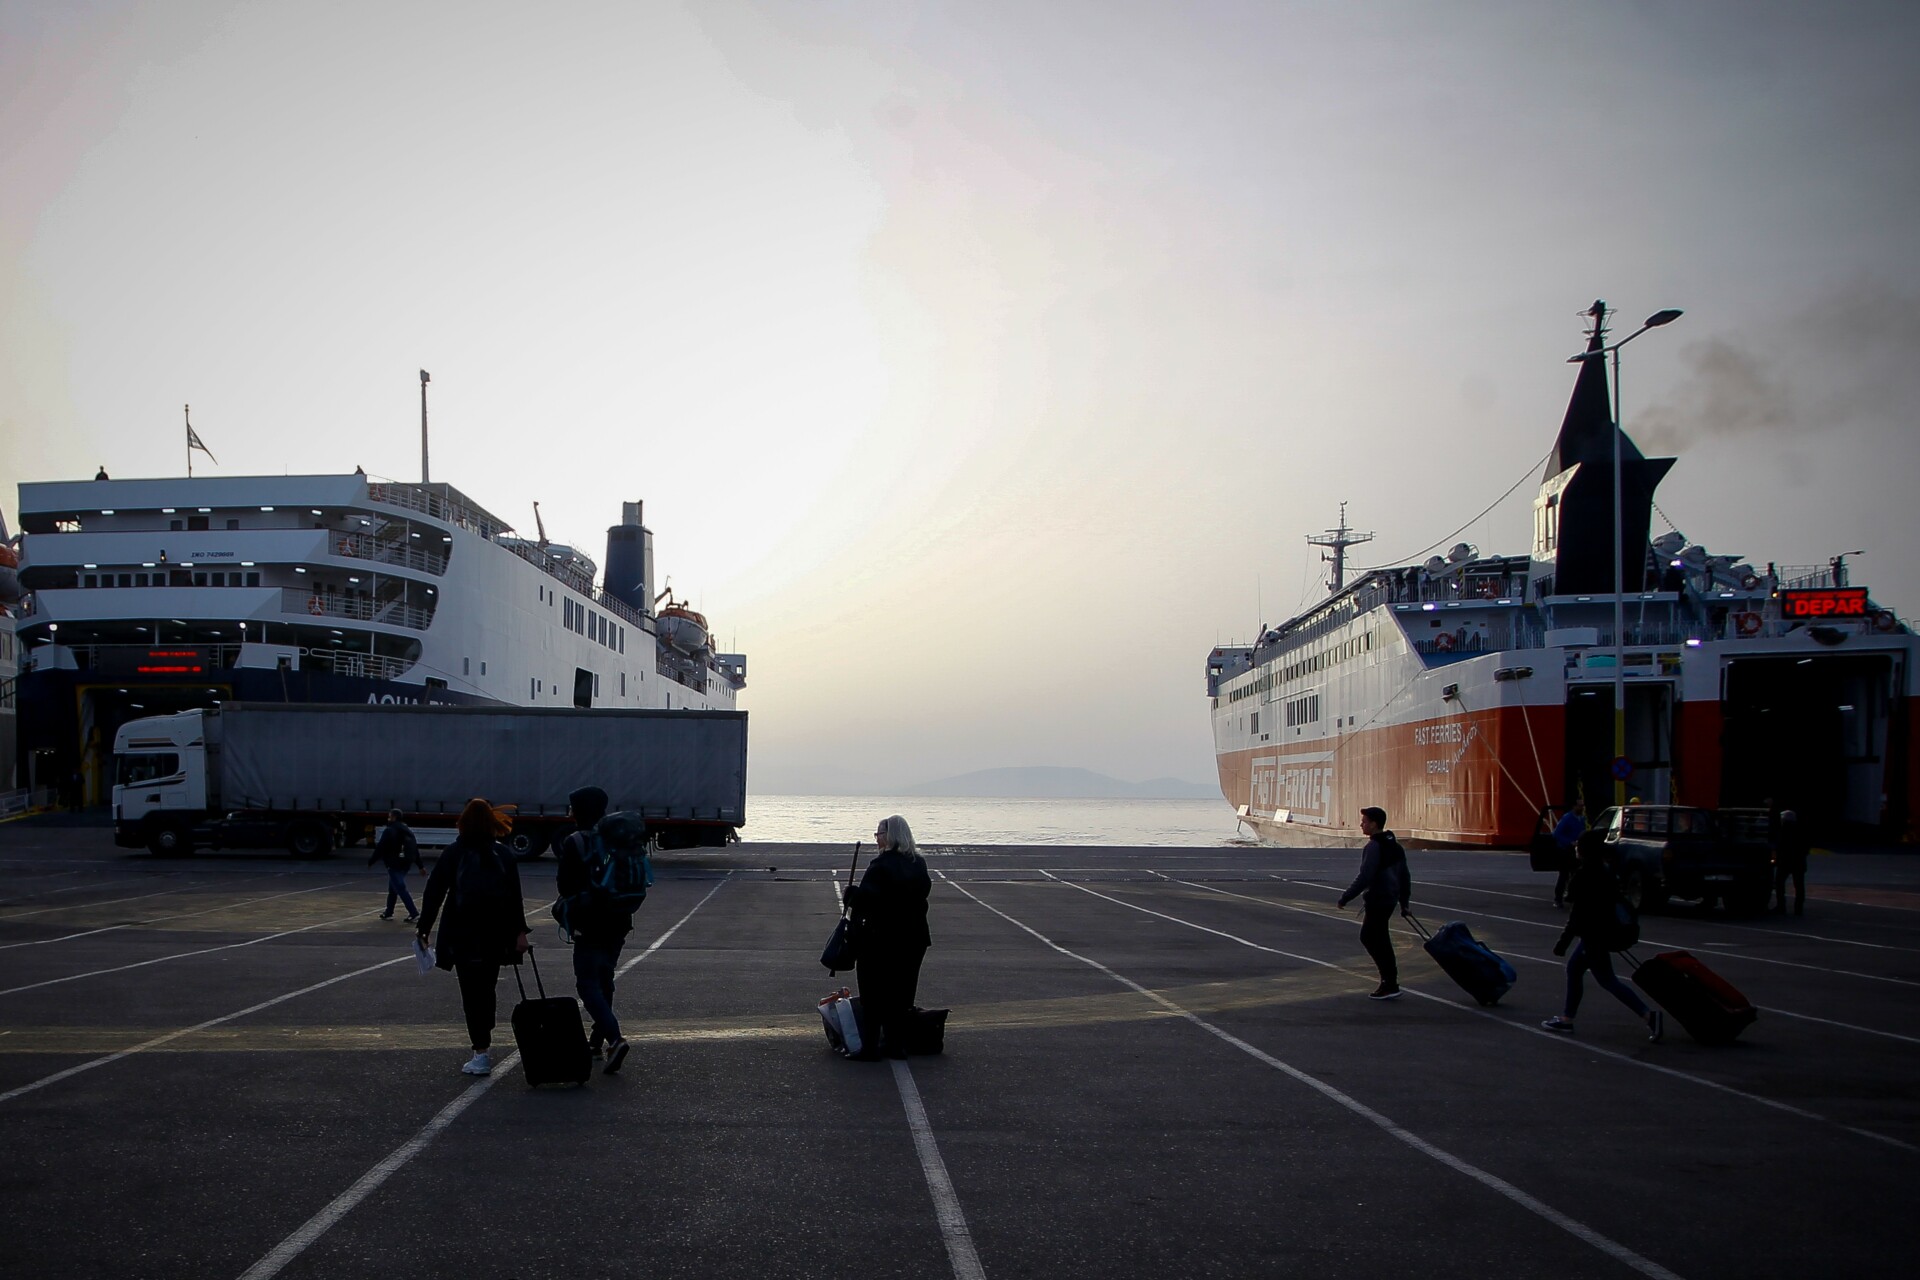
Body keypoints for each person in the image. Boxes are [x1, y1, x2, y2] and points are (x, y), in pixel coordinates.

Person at [417, 799, 531, 1076]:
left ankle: (481, 1051)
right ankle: (485, 1036)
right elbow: (514, 898)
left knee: (471, 993)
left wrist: (424, 929)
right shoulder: (503, 854)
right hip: (496, 934)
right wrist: (520, 933)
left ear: (462, 823)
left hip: (462, 934)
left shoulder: (453, 853)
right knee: (487, 988)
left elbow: (434, 893)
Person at [1542, 831, 1663, 1041]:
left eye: (1578, 845)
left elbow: (1577, 915)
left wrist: (1562, 944)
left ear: (1584, 850)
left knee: (1607, 980)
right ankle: (1567, 1018)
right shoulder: (1605, 870)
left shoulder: (1584, 875)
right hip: (1602, 932)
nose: (1575, 847)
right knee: (1575, 970)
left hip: (1593, 936)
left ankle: (1649, 1016)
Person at [553, 785, 634, 1074]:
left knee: (587, 984)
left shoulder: (576, 841)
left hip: (589, 922)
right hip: (619, 921)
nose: (570, 812)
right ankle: (597, 1041)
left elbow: (565, 885)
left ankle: (615, 1039)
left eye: (573, 807)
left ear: (580, 810)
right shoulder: (617, 838)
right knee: (604, 978)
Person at [844, 815, 932, 1058]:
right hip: (914, 937)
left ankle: (870, 1047)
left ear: (890, 836)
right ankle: (896, 1045)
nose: (877, 838)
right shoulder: (918, 863)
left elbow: (867, 901)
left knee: (873, 992)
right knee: (902, 993)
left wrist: (851, 895)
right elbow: (922, 894)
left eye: (879, 834)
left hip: (881, 938)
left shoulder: (881, 865)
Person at [1337, 807, 1412, 1000]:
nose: (1361, 824)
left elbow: (1365, 877)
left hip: (1378, 899)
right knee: (1379, 938)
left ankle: (1389, 982)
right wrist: (1404, 902)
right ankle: (1389, 981)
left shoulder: (1374, 847)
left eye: (1364, 821)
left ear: (1374, 824)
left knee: (1371, 938)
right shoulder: (1395, 846)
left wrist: (1346, 897)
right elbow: (1404, 876)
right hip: (1390, 899)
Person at [368, 809, 423, 921]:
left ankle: (414, 913)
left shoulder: (389, 830)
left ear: (393, 817)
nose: (388, 819)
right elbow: (414, 849)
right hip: (406, 863)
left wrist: (371, 861)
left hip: (394, 863)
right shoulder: (407, 830)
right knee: (393, 887)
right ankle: (388, 912)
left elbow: (381, 848)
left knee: (400, 887)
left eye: (389, 816)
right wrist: (420, 865)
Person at [1772, 809, 1809, 917]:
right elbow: (1806, 848)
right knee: (1799, 886)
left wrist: (1777, 859)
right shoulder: (1801, 831)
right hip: (1799, 862)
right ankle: (1798, 908)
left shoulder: (1783, 831)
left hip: (1785, 862)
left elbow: (1779, 846)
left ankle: (1781, 906)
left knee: (1779, 883)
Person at [1551, 802, 1587, 908]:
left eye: (1583, 806)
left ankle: (1572, 896)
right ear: (1574, 806)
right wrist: (1569, 842)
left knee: (1576, 874)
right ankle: (1558, 898)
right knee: (1564, 874)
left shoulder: (1582, 819)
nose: (1582, 808)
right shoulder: (1567, 818)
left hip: (1577, 850)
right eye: (1580, 806)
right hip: (1565, 850)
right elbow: (1556, 833)